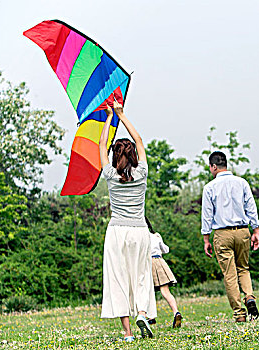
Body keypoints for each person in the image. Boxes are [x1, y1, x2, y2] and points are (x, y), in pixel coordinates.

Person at [99, 101, 156, 342]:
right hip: (140, 230)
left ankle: (128, 332)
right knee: (141, 275)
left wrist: (109, 118)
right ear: (133, 154)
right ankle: (142, 313)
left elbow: (101, 144)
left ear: (115, 156)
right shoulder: (141, 174)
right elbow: (140, 140)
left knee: (118, 278)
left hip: (117, 231)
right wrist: (122, 116)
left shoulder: (110, 175)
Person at [201, 151, 259, 322]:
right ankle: (249, 296)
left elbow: (207, 215)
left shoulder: (209, 187)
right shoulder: (242, 183)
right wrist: (255, 230)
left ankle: (239, 313)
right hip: (243, 231)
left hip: (222, 233)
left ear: (213, 166)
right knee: (243, 268)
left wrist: (206, 239)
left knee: (230, 274)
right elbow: (251, 207)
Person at [145, 217, 183, 328]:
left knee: (147, 292)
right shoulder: (156, 235)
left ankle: (150, 318)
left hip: (148, 263)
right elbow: (165, 249)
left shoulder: (141, 237)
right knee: (165, 291)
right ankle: (176, 311)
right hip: (160, 262)